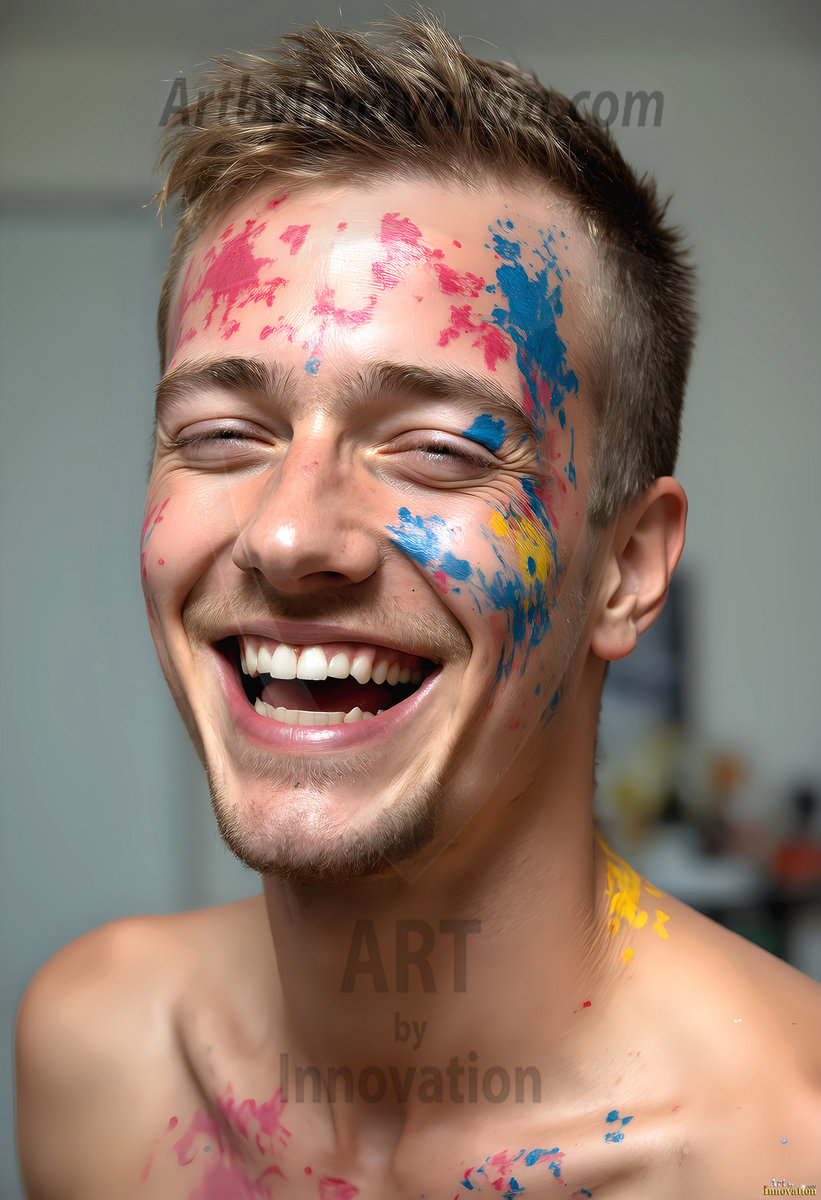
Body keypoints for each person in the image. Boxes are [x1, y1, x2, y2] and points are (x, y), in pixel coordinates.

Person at [15, 16, 821, 1198]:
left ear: (626, 568)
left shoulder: (785, 1149)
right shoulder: (98, 1057)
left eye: (440, 449)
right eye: (221, 436)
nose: (288, 535)